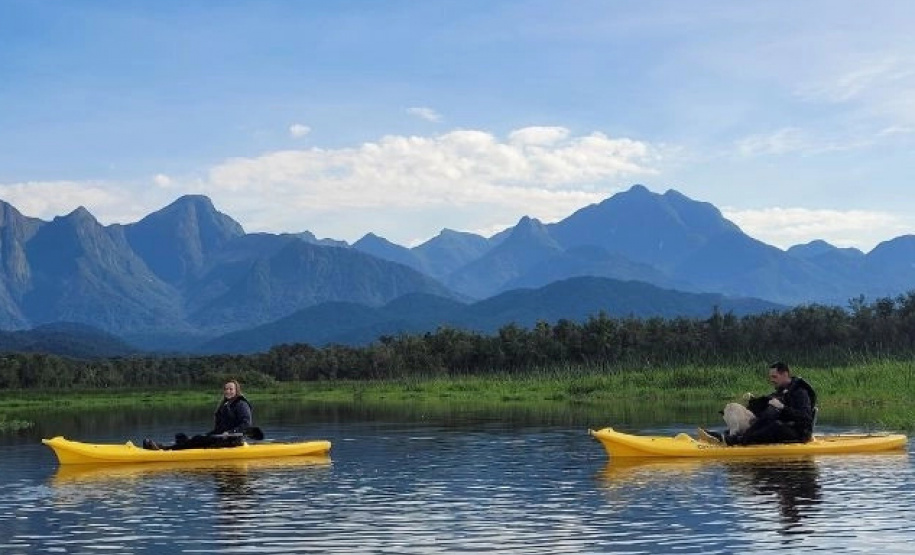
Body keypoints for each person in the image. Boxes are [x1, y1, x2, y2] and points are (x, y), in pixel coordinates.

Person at [699, 362, 816, 446]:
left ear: (785, 374)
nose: (771, 380)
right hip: (785, 426)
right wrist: (754, 403)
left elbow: (806, 418)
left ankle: (735, 440)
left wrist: (782, 408)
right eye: (770, 377)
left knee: (774, 426)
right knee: (758, 418)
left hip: (798, 433)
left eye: (774, 377)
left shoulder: (801, 393)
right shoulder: (782, 391)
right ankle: (727, 436)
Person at [143, 380, 254, 450]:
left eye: (231, 389)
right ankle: (168, 447)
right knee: (197, 438)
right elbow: (219, 429)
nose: (228, 391)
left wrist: (230, 433)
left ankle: (164, 449)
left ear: (236, 390)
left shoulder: (241, 404)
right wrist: (208, 435)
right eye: (226, 389)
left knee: (197, 440)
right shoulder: (225, 405)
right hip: (222, 438)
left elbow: (246, 424)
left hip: (233, 440)